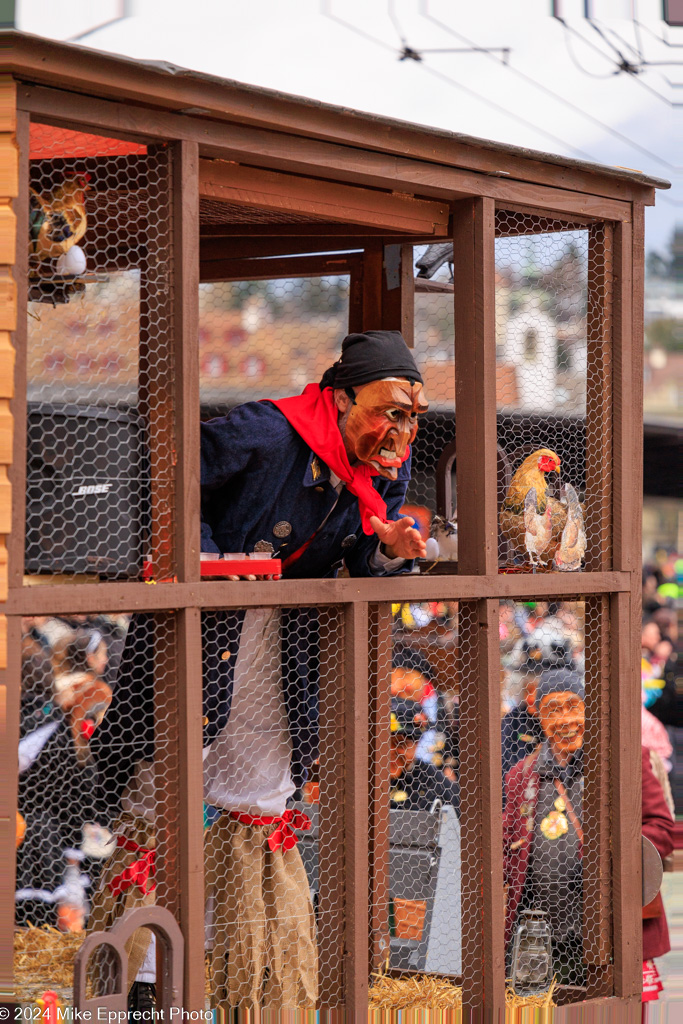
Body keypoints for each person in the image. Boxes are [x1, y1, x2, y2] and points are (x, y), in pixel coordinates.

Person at [92, 330, 429, 1012]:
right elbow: (171, 478)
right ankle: (138, 982)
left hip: (280, 653)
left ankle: (239, 977)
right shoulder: (269, 430)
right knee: (167, 786)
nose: (400, 429)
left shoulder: (381, 471)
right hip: (203, 634)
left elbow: (361, 562)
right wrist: (213, 560)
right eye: (389, 410)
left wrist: (390, 551)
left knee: (254, 801)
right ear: (340, 399)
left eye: (412, 416)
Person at [503, 667, 586, 986]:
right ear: (538, 716)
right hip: (542, 932)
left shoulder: (613, 763)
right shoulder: (520, 776)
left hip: (601, 927)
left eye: (572, 707)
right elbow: (505, 845)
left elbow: (658, 826)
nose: (565, 720)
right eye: (553, 710)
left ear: (587, 709)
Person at [389, 698, 460, 814]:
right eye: (384, 743)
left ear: (417, 744)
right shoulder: (368, 779)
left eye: (400, 744)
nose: (391, 751)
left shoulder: (435, 785)